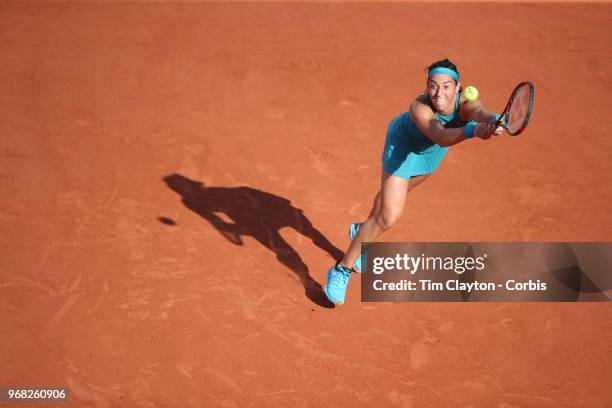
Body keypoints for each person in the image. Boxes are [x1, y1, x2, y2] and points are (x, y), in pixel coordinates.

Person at [324, 58, 504, 305]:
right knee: (389, 216)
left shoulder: (467, 103)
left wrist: (494, 120)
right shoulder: (418, 107)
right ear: (427, 86)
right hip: (403, 146)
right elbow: (440, 135)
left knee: (397, 194)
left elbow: (481, 113)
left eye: (446, 86)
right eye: (433, 85)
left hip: (430, 153)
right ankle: (341, 269)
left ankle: (362, 231)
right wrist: (473, 131)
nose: (439, 93)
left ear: (458, 87)